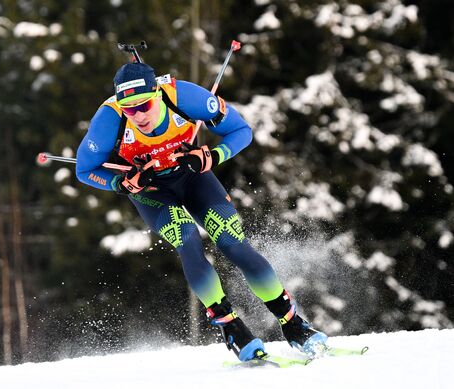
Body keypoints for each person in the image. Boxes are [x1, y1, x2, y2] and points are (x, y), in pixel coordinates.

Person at [76, 61, 327, 361]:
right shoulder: (108, 120)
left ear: (157, 93)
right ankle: (230, 326)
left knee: (232, 242)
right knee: (188, 240)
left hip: (193, 176)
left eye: (143, 105)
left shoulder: (184, 97)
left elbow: (241, 130)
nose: (138, 115)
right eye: (129, 109)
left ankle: (294, 325)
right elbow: (85, 170)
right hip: (152, 192)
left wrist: (213, 155)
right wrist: (121, 182)